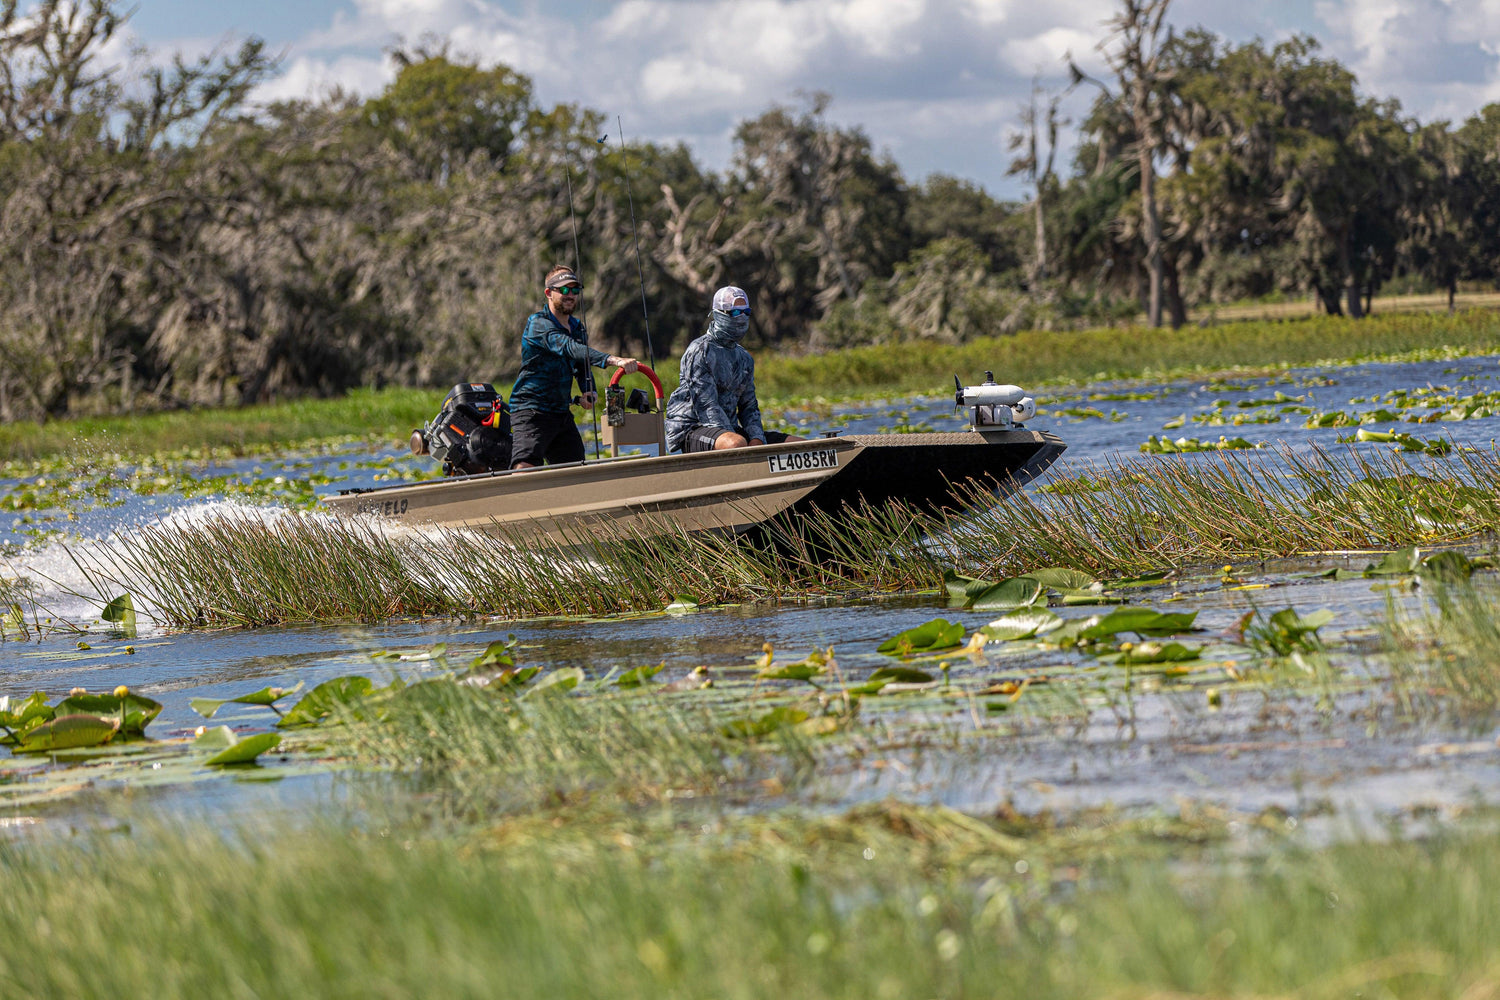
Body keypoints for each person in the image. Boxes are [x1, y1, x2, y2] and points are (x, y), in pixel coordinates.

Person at [509, 265, 638, 469]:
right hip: (531, 410)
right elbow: (569, 348)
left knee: (575, 468)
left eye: (575, 290)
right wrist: (614, 360)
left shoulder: (577, 327)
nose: (570, 295)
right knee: (525, 465)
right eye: (564, 290)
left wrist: (589, 390)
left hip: (561, 411)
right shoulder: (538, 324)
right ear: (548, 293)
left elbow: (580, 364)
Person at [664, 285, 801, 453]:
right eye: (736, 313)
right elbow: (707, 407)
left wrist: (757, 439)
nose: (742, 317)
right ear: (719, 314)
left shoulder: (744, 358)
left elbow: (749, 406)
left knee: (800, 444)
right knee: (736, 444)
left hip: (730, 430)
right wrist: (738, 439)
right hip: (693, 428)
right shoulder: (700, 351)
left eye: (746, 312)